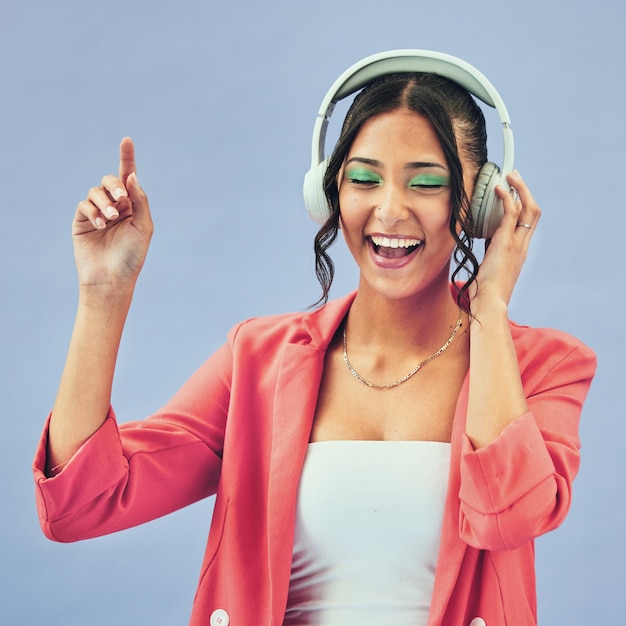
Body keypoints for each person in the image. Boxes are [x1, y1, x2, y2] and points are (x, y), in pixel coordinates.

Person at [33, 50, 596, 626]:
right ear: (329, 193)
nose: (390, 208)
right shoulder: (257, 361)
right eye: (363, 179)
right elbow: (82, 505)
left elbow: (510, 516)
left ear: (480, 204)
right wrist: (103, 295)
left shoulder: (545, 366)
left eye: (426, 182)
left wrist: (491, 308)